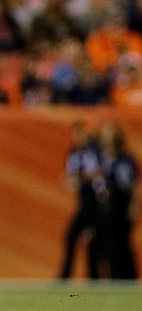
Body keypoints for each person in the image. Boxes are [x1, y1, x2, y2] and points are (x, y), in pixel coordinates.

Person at [58, 120, 104, 280]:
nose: (77, 137)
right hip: (84, 199)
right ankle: (65, 277)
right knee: (72, 236)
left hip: (98, 200)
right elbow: (71, 176)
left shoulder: (96, 149)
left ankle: (94, 278)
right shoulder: (74, 152)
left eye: (80, 133)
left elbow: (100, 173)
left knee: (94, 239)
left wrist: (80, 178)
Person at [95, 119, 139, 280]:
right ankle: (115, 276)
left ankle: (128, 277)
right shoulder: (100, 157)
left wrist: (135, 205)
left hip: (122, 201)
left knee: (122, 241)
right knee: (108, 242)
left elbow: (134, 184)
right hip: (106, 203)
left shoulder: (126, 158)